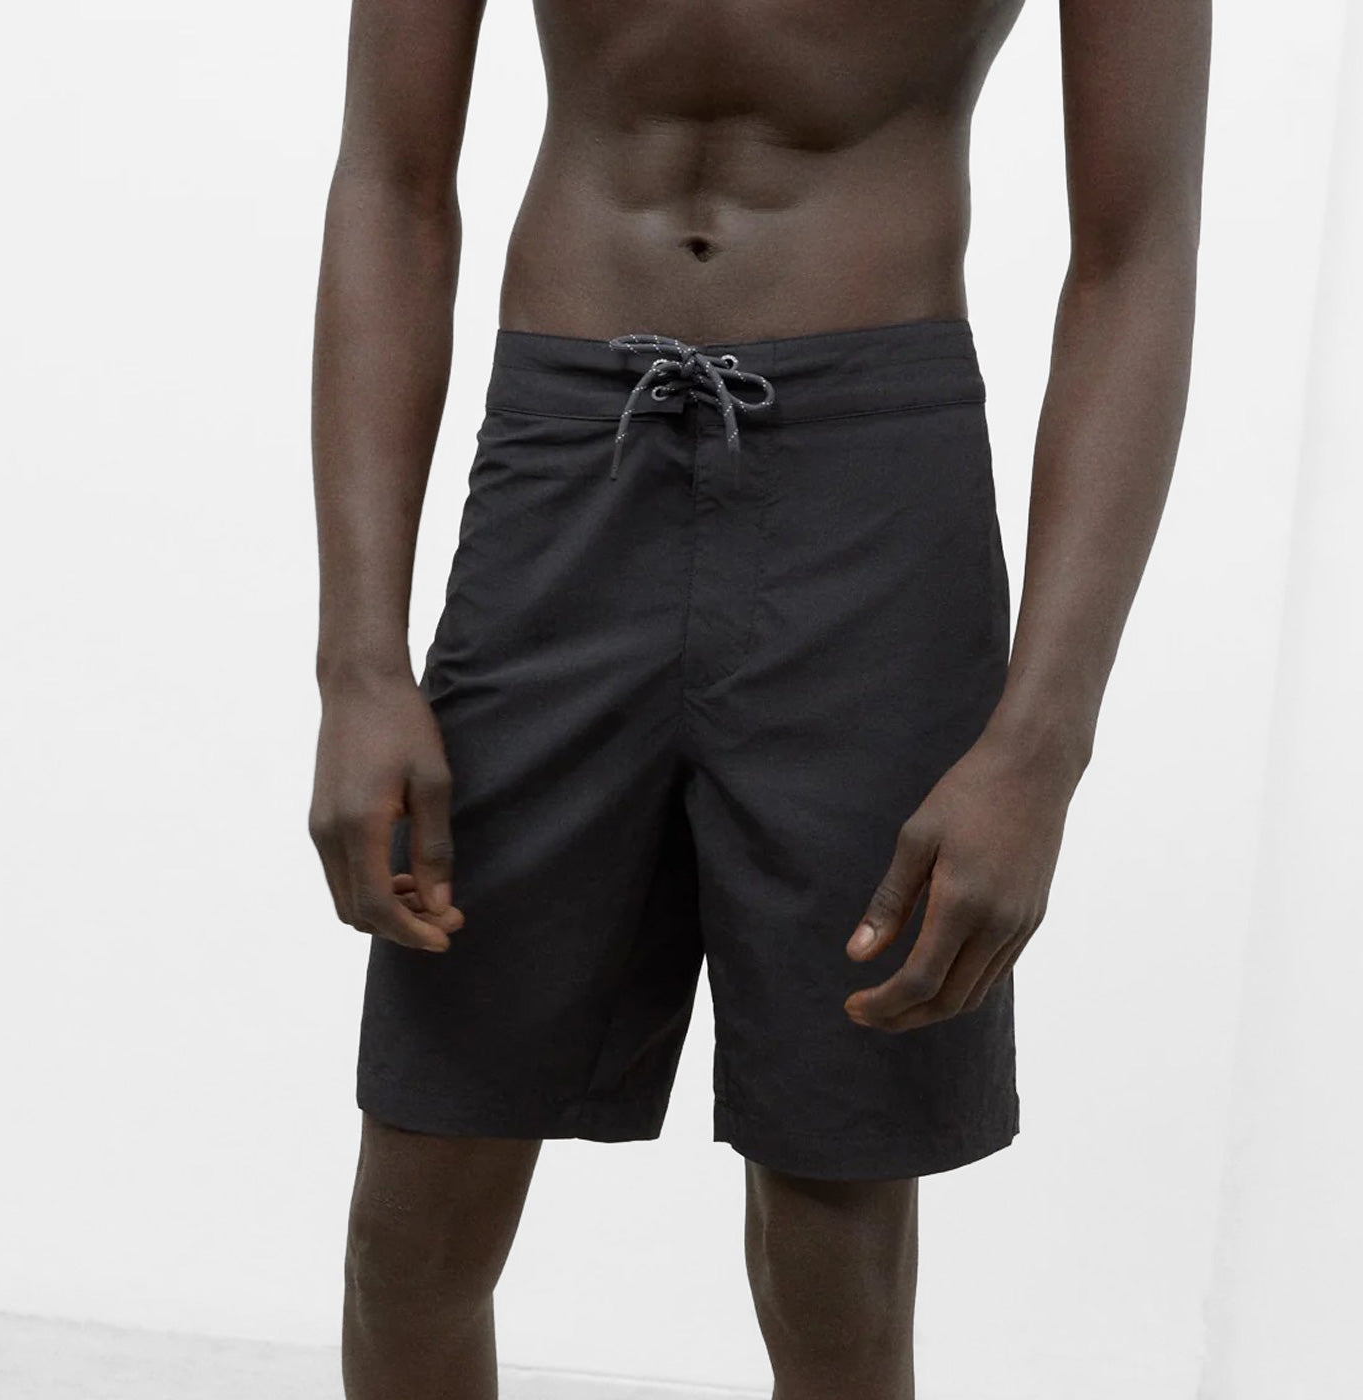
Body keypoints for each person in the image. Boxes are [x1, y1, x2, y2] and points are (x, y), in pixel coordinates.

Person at [308, 2, 1211, 1395]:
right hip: (565, 464)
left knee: (835, 1254)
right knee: (413, 1217)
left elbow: (1136, 257)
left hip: (872, 501)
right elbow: (391, 180)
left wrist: (1040, 743)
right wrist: (358, 663)